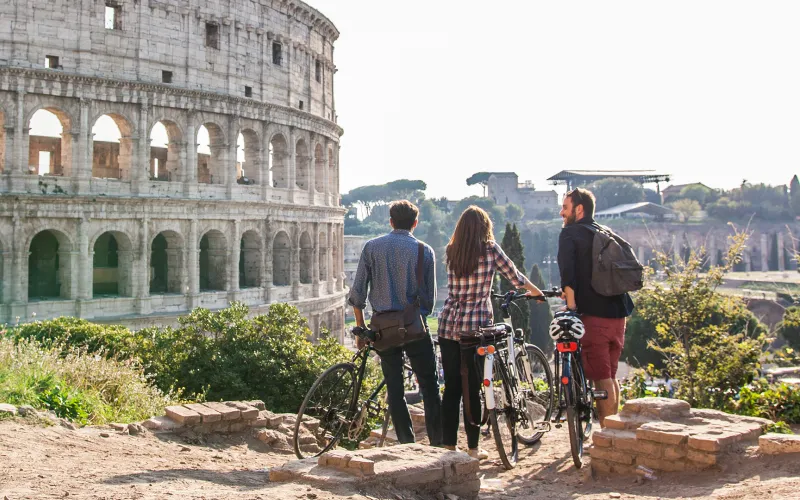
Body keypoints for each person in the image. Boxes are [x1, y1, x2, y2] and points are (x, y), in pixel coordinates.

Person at [437, 206, 543, 459]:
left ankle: (449, 446)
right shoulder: (490, 249)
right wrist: (537, 292)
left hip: (449, 324)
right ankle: (473, 449)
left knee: (451, 387)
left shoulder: (451, 251)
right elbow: (515, 277)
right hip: (476, 329)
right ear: (485, 227)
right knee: (472, 387)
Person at [347, 200, 443, 446]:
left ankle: (406, 444)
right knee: (430, 388)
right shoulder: (425, 251)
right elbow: (429, 302)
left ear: (390, 221)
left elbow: (357, 294)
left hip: (383, 330)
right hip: (414, 328)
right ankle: (437, 444)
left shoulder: (371, 247)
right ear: (415, 223)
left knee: (395, 391)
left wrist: (361, 330)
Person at [557, 188, 635, 427]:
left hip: (594, 316)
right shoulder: (604, 231)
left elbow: (568, 276)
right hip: (619, 314)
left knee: (601, 380)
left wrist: (570, 310)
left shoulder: (570, 234)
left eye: (565, 207)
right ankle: (613, 431)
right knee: (610, 376)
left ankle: (606, 437)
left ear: (578, 209)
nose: (561, 213)